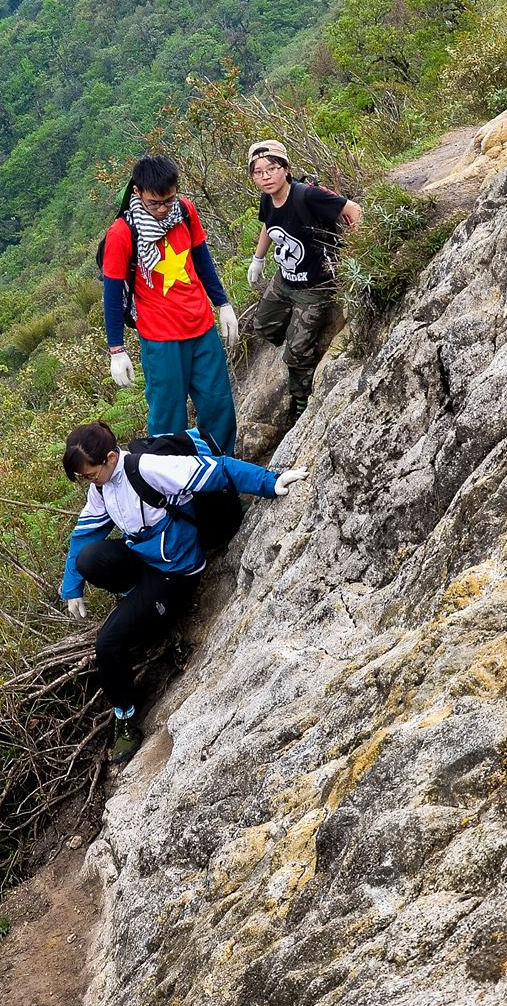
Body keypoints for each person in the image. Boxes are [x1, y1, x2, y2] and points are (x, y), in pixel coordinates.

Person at [58, 420, 309, 761]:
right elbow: (85, 533)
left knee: (108, 643)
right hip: (145, 560)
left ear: (111, 458)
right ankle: (141, 603)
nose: (88, 482)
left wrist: (269, 480)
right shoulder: (101, 488)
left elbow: (217, 471)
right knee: (90, 558)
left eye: (90, 474)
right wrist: (72, 586)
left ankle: (127, 721)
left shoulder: (149, 469)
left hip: (176, 571)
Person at [101, 155, 242, 453]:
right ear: (137, 193)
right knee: (168, 422)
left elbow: (202, 260)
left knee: (219, 408)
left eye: (169, 200)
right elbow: (112, 294)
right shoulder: (122, 233)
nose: (164, 209)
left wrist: (222, 303)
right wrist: (117, 349)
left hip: (201, 326)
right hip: (161, 338)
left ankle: (221, 479)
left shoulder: (185, 211)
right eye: (155, 203)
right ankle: (176, 490)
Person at [242, 140, 362, 422]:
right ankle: (301, 331)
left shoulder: (308, 196)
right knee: (263, 326)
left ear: (285, 169)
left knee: (295, 356)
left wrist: (358, 253)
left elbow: (353, 210)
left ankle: (301, 401)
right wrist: (258, 259)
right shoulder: (267, 198)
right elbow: (268, 226)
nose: (265, 176)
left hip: (314, 286)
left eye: (271, 168)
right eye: (258, 172)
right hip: (285, 280)